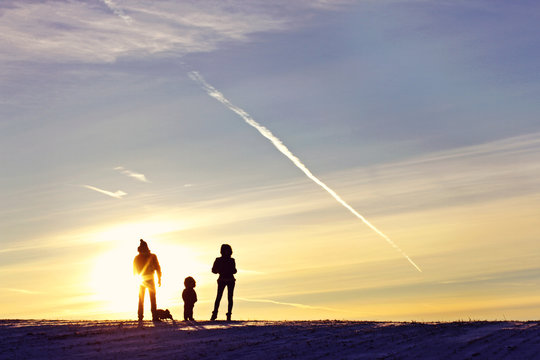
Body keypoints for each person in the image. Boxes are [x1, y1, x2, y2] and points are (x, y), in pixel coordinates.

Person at [133, 239, 162, 322]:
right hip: (143, 280)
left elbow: (157, 267)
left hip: (146, 279)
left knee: (149, 298)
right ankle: (143, 316)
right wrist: (159, 278)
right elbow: (134, 270)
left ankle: (146, 316)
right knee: (146, 298)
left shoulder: (152, 256)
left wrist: (159, 278)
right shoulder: (138, 258)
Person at [210, 244, 237, 321]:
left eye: (228, 250)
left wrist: (226, 270)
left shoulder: (232, 260)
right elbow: (213, 270)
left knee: (229, 298)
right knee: (219, 297)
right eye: (226, 250)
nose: (227, 252)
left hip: (230, 280)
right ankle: (215, 314)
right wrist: (219, 270)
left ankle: (228, 315)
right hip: (222, 279)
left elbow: (234, 270)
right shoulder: (218, 260)